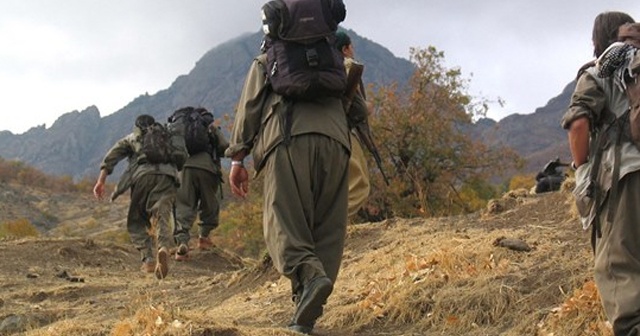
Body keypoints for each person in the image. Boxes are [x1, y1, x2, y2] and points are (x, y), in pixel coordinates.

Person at [226, 32, 350, 336]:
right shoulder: (335, 58)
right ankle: (304, 310)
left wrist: (238, 159)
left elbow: (249, 109)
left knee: (283, 220)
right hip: (337, 143)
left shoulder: (268, 59)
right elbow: (358, 108)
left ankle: (310, 277)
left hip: (287, 137)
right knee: (327, 227)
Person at [562, 11, 640, 335]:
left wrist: (581, 169)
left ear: (599, 40)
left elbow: (579, 123)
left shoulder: (598, 73)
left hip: (625, 179)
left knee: (619, 269)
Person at [93, 114, 186, 280]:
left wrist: (101, 181)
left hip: (142, 177)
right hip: (167, 177)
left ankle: (148, 259)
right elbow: (181, 157)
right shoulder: (166, 136)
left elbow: (111, 157)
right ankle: (163, 247)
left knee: (137, 220)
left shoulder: (133, 137)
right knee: (162, 213)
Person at [173, 107, 229, 260]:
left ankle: (182, 243)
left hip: (183, 169)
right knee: (209, 203)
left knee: (184, 205)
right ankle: (204, 238)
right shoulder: (208, 124)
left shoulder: (181, 128)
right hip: (207, 167)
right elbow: (224, 146)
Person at [335, 31, 372, 218]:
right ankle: (331, 226)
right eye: (351, 46)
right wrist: (367, 106)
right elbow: (358, 109)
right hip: (341, 131)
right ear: (345, 49)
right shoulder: (347, 66)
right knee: (359, 184)